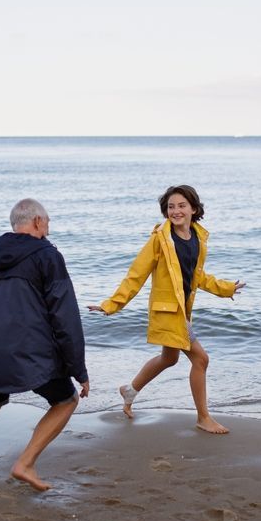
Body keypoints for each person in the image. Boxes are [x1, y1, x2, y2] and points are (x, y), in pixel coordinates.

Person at [0, 198, 89, 493]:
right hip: (31, 349)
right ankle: (25, 463)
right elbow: (65, 315)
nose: (47, 229)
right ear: (37, 222)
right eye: (46, 223)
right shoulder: (47, 254)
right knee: (66, 401)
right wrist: (79, 369)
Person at [88, 184, 245, 434]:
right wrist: (111, 305)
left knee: (169, 359)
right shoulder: (160, 240)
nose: (176, 211)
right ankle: (203, 417)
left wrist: (226, 288)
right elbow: (136, 274)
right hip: (168, 312)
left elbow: (197, 276)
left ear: (194, 209)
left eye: (182, 205)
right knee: (201, 360)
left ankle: (129, 391)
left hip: (181, 310)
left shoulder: (197, 237)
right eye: (171, 206)